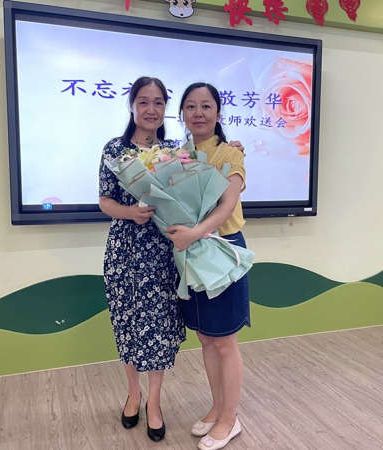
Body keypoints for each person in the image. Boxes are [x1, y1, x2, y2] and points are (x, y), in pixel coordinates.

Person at [98, 76, 244, 443]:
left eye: (158, 102)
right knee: (133, 325)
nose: (151, 109)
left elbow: (216, 193)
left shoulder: (175, 152)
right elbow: (104, 200)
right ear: (132, 105)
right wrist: (130, 213)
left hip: (171, 251)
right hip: (127, 251)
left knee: (162, 330)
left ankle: (156, 403)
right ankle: (134, 395)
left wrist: (233, 148)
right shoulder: (115, 149)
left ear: (166, 108)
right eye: (143, 101)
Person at [166, 82, 250, 450]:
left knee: (226, 342)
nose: (198, 113)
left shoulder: (230, 154)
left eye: (205, 106)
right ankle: (217, 407)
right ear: (182, 114)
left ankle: (230, 418)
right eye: (190, 106)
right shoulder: (175, 156)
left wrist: (195, 233)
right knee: (205, 337)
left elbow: (227, 204)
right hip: (190, 250)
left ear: (218, 112)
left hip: (221, 249)